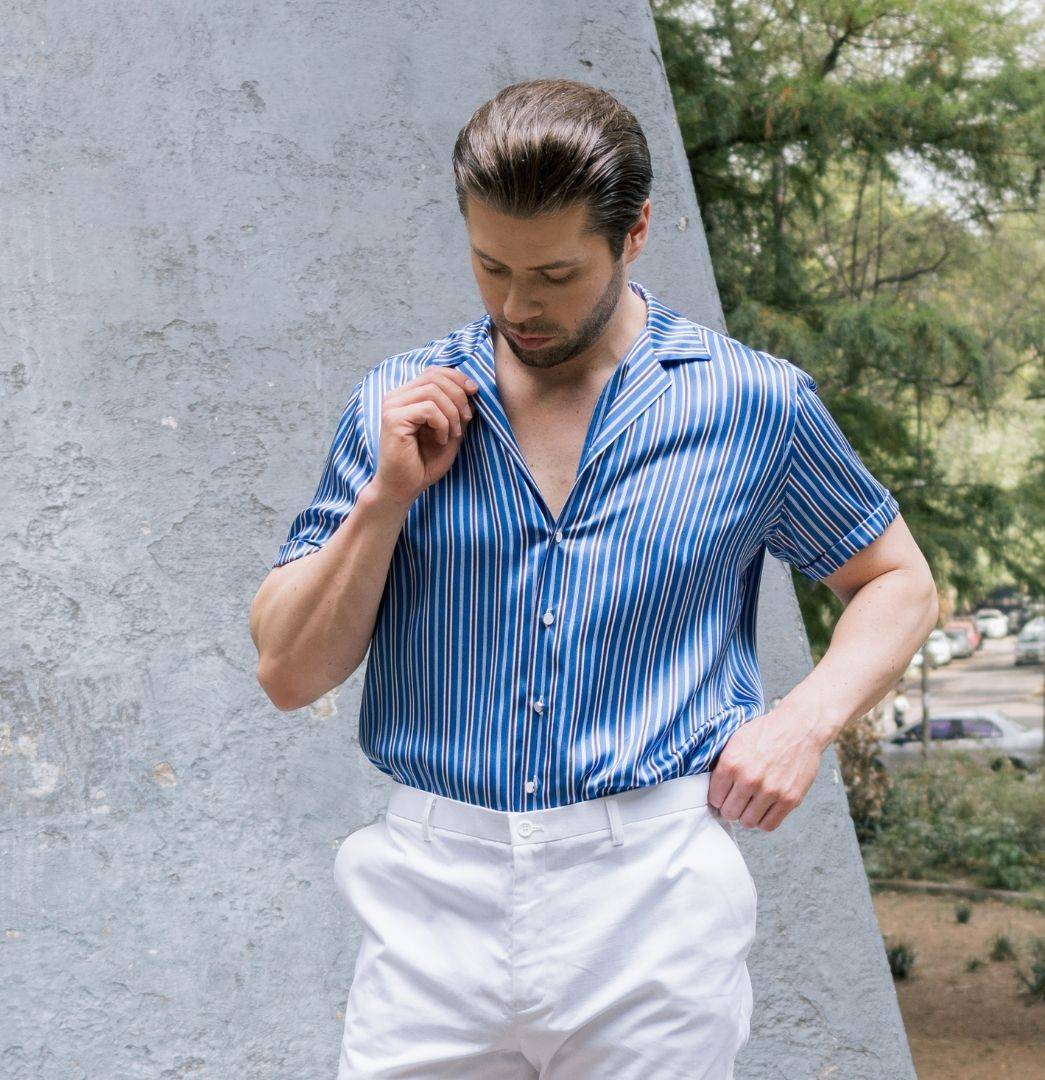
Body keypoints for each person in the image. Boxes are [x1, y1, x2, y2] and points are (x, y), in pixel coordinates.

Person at [249, 78, 938, 1080]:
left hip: (652, 894)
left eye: (555, 274)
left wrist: (801, 721)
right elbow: (286, 671)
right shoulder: (397, 408)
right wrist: (384, 500)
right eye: (491, 266)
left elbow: (899, 581)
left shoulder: (754, 405)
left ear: (636, 232)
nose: (517, 305)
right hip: (433, 890)